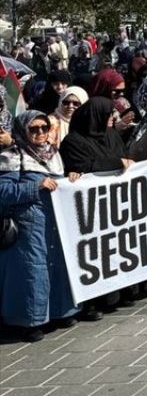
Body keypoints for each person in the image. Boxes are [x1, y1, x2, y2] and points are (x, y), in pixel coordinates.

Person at [0, 111, 79, 341]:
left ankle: (59, 312)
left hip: (54, 223)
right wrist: (35, 187)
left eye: (44, 128)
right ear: (23, 130)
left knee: (56, 268)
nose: (40, 133)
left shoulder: (54, 154)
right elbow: (3, 191)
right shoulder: (12, 155)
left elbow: (59, 183)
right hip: (27, 225)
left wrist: (72, 178)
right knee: (31, 271)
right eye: (34, 129)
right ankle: (29, 321)